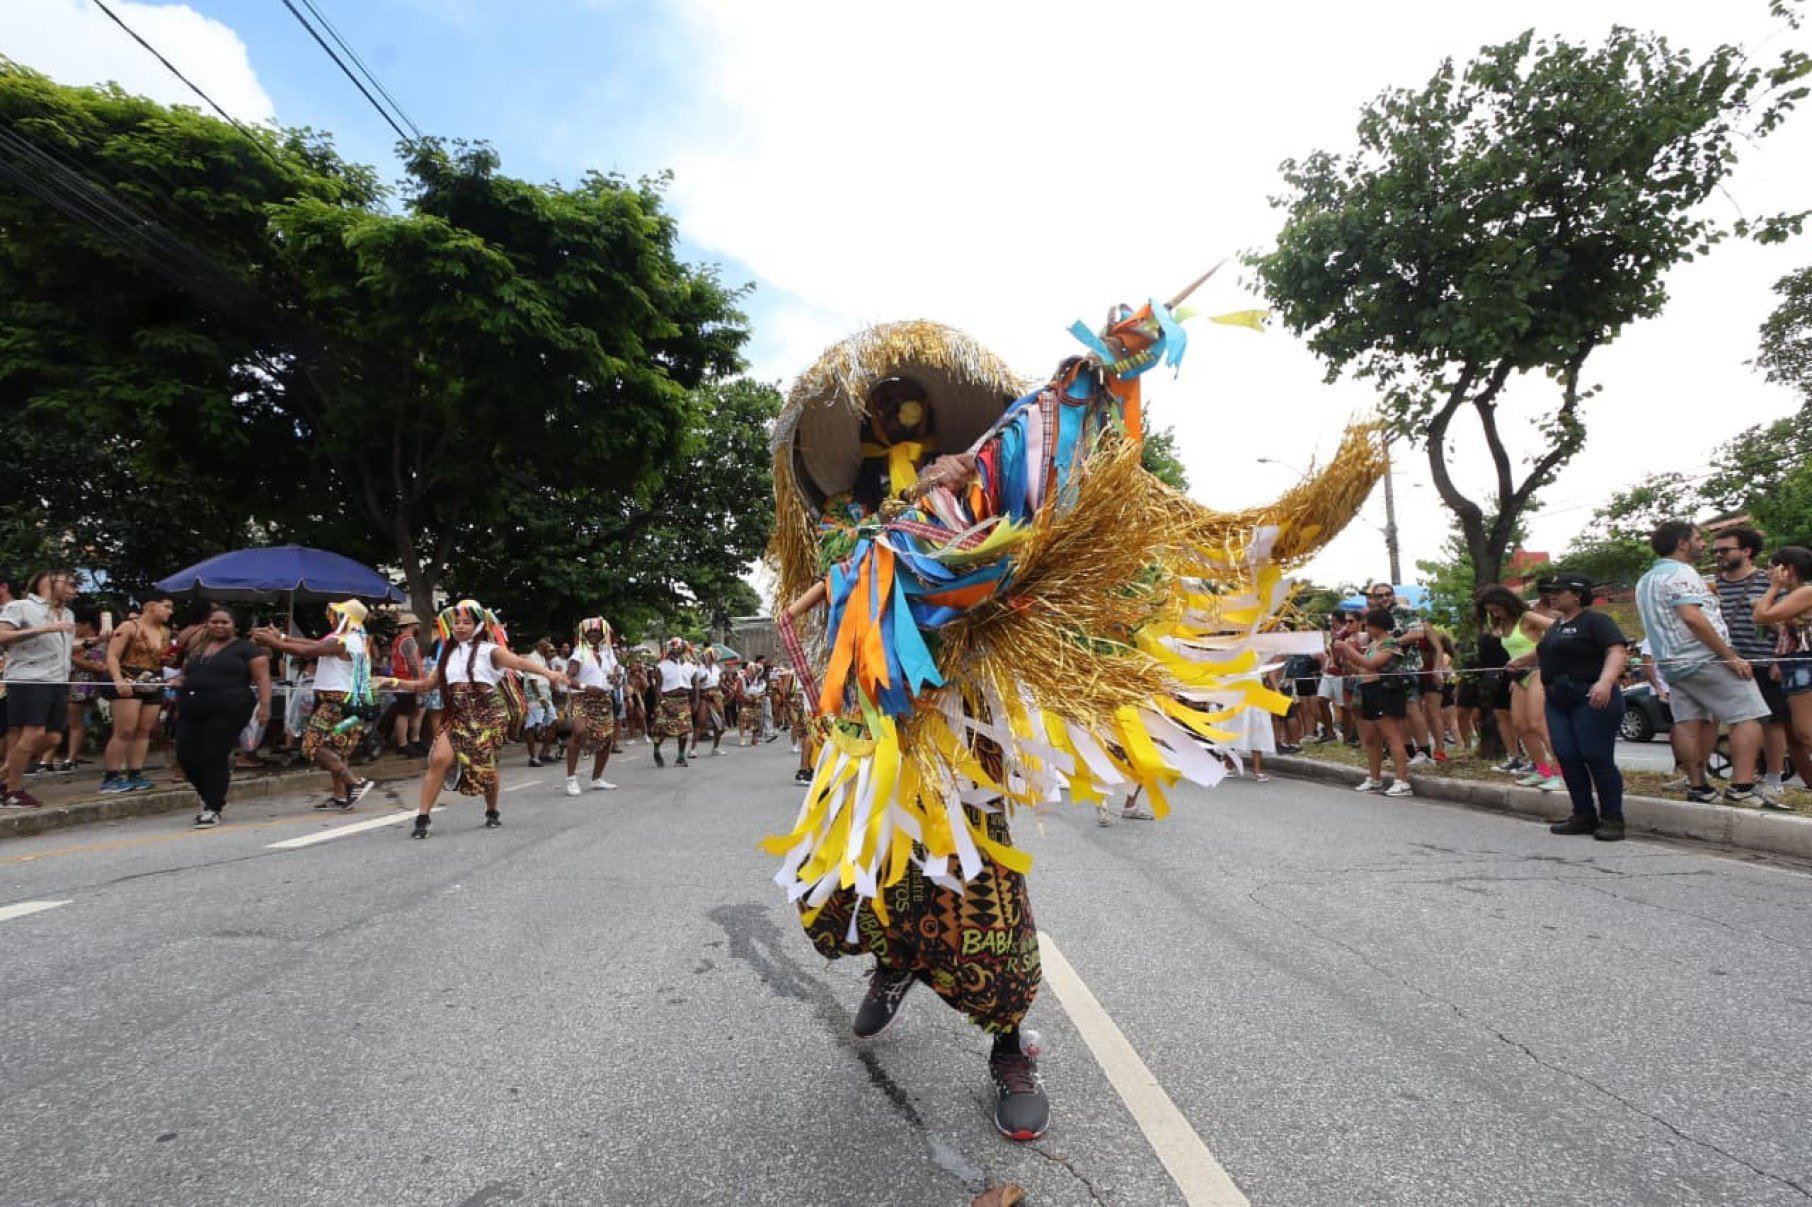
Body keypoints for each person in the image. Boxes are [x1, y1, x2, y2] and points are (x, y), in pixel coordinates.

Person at [385, 600, 571, 837]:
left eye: (467, 622)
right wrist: (393, 682)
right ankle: (423, 818)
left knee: (486, 768)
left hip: (487, 716)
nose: (460, 626)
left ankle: (492, 809)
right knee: (439, 759)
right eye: (457, 622)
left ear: (478, 625)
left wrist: (550, 673)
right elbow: (426, 685)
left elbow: (520, 662)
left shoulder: (489, 650)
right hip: (457, 716)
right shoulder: (447, 655)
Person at [1634, 520, 1770, 805]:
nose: (1703, 544)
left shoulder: (1646, 580)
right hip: (1703, 659)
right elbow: (1692, 616)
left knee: (1687, 723)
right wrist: (1729, 655)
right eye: (1698, 539)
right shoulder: (1682, 573)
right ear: (1682, 543)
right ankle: (1742, 788)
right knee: (1748, 716)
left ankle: (1698, 787)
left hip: (1670, 663)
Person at [1527, 574, 1631, 841]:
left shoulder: (1596, 622)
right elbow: (1546, 652)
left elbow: (1617, 651)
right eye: (1551, 591)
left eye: (1559, 591)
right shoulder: (1556, 626)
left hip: (1591, 695)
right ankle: (1583, 814)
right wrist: (1519, 661)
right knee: (1567, 755)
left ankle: (1612, 818)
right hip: (1558, 699)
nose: (1553, 595)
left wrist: (1605, 682)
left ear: (1577, 595)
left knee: (1596, 755)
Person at [250, 600, 377, 811]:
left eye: (335, 614)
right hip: (349, 704)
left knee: (312, 745)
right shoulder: (353, 638)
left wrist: (275, 643)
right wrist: (280, 637)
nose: (331, 617)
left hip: (337, 703)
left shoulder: (344, 641)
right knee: (337, 751)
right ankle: (340, 796)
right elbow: (312, 644)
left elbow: (310, 651)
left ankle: (355, 783)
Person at [1712, 527, 1794, 804]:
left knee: (1773, 722)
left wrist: (1778, 659)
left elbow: (1787, 624)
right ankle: (1745, 775)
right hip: (1726, 663)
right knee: (1736, 723)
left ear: (1746, 551)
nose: (1718, 555)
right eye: (1716, 550)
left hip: (1763, 660)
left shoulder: (1768, 581)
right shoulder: (1713, 585)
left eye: (1725, 549)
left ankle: (1774, 778)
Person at [173, 607, 272, 827]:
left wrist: (265, 707)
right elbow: (185, 673)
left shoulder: (247, 649)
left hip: (229, 708)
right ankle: (209, 795)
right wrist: (179, 681)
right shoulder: (198, 648)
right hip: (191, 707)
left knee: (213, 755)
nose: (219, 626)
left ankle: (213, 806)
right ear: (207, 624)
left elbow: (262, 679)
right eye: (214, 622)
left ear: (234, 625)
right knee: (185, 756)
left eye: (224, 622)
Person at [0, 570, 79, 809]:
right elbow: (2, 635)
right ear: (49, 582)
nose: (74, 588)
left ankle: (5, 775)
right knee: (32, 732)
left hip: (58, 680)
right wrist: (43, 629)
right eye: (70, 583)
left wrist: (91, 642)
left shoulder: (67, 613)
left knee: (53, 737)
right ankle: (13, 790)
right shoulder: (22, 607)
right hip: (29, 678)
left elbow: (61, 646)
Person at [1476, 584, 1561, 790]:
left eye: (1496, 609)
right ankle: (1542, 771)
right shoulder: (1505, 624)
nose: (1494, 613)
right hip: (1518, 677)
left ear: (1506, 603)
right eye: (1490, 611)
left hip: (1537, 671)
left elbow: (1558, 628)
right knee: (1520, 725)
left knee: (1537, 723)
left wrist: (1533, 656)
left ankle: (1561, 772)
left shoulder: (1528, 618)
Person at [1751, 545, 1812, 812]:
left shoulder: (1805, 591)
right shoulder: (1796, 595)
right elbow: (1791, 632)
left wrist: (1773, 590)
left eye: (1772, 567)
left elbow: (1762, 616)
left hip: (1805, 665)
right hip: (1793, 664)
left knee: (1806, 732)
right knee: (1797, 734)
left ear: (1788, 569)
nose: (1768, 572)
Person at [1333, 607, 1415, 796]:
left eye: (1369, 625)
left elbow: (1372, 664)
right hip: (1367, 690)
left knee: (1391, 735)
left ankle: (1402, 781)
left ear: (1379, 625)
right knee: (1371, 738)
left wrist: (1347, 648)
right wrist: (1347, 660)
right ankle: (1375, 778)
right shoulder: (1373, 644)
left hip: (1384, 691)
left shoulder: (1390, 644)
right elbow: (1363, 667)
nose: (1366, 628)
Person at [101, 591, 175, 794]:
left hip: (153, 680)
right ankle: (111, 776)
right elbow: (112, 655)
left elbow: (160, 657)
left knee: (145, 729)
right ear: (151, 606)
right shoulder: (129, 627)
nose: (170, 611)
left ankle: (135, 772)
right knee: (124, 730)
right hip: (128, 677)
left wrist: (167, 661)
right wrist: (117, 679)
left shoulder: (164, 632)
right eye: (166, 606)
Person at [563, 618, 621, 794]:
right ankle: (571, 779)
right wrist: (585, 687)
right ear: (584, 634)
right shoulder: (579, 652)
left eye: (597, 632)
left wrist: (617, 677)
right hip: (581, 698)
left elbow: (615, 672)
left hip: (603, 699)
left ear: (603, 634)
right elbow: (568, 678)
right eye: (590, 633)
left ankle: (597, 778)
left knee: (606, 738)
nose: (594, 635)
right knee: (579, 732)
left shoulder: (607, 652)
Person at [650, 637, 699, 767]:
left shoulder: (691, 667)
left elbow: (695, 686)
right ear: (669, 650)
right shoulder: (661, 666)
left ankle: (681, 757)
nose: (676, 651)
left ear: (684, 649)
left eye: (679, 648)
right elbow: (658, 688)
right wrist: (663, 704)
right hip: (666, 700)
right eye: (673, 649)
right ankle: (656, 751)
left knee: (683, 730)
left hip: (684, 701)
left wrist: (696, 702)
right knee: (661, 730)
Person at [387, 613, 426, 757]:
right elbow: (412, 661)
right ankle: (403, 744)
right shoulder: (409, 640)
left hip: (400, 680)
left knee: (412, 710)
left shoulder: (398, 640)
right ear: (411, 625)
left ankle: (412, 742)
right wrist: (417, 680)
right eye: (417, 625)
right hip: (408, 681)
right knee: (404, 712)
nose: (418, 627)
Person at [695, 646, 728, 755]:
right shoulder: (699, 668)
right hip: (705, 696)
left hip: (717, 696)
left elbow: (717, 683)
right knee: (700, 721)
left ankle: (715, 748)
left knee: (719, 724)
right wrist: (700, 681)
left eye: (711, 656)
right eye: (708, 655)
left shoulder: (717, 669)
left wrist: (725, 688)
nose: (709, 657)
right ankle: (692, 749)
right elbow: (695, 684)